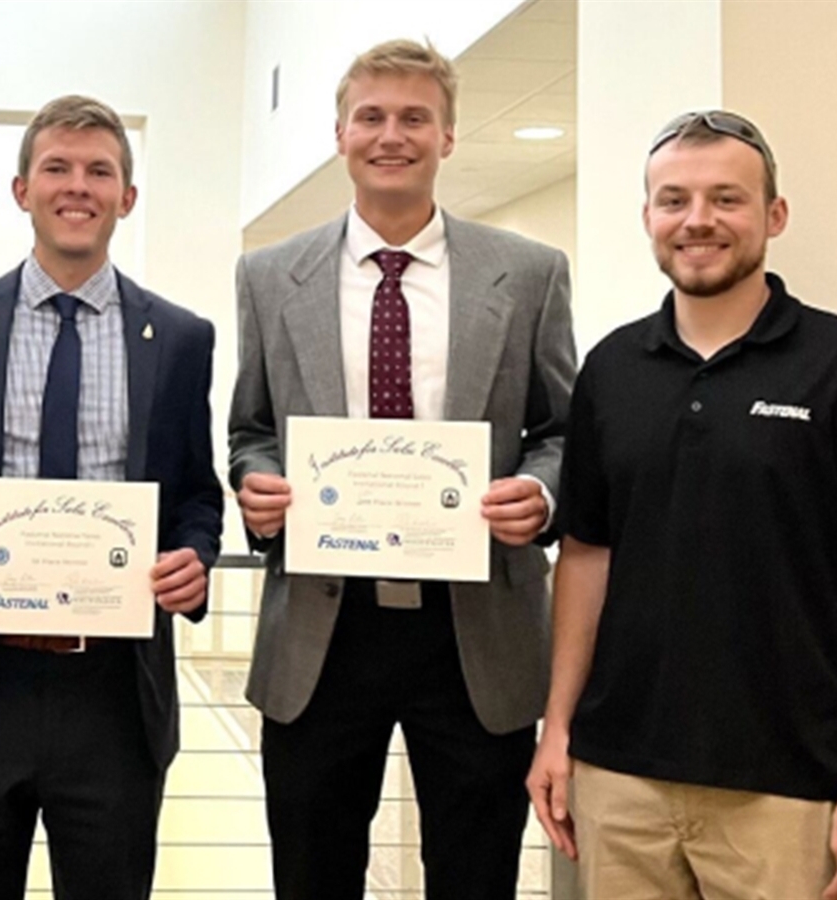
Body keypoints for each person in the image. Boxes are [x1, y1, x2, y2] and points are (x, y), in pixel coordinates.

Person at [524, 109, 837, 900]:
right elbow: (586, 558)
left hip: (796, 786)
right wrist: (559, 729)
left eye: (727, 198)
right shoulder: (611, 370)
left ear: (774, 216)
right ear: (648, 217)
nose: (698, 220)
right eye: (673, 199)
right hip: (619, 779)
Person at [225, 37, 576, 900]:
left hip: (474, 627)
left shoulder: (527, 274)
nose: (393, 135)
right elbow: (251, 430)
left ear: (448, 136)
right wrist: (257, 485)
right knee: (313, 869)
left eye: (415, 118)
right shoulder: (271, 277)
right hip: (322, 623)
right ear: (340, 134)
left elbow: (564, 428)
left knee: (474, 870)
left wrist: (539, 492)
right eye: (372, 117)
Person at [0, 94, 223, 900]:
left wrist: (196, 558)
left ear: (127, 197)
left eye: (99, 171)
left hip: (113, 691)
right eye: (57, 168)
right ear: (22, 190)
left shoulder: (180, 339)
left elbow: (196, 496)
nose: (77, 187)